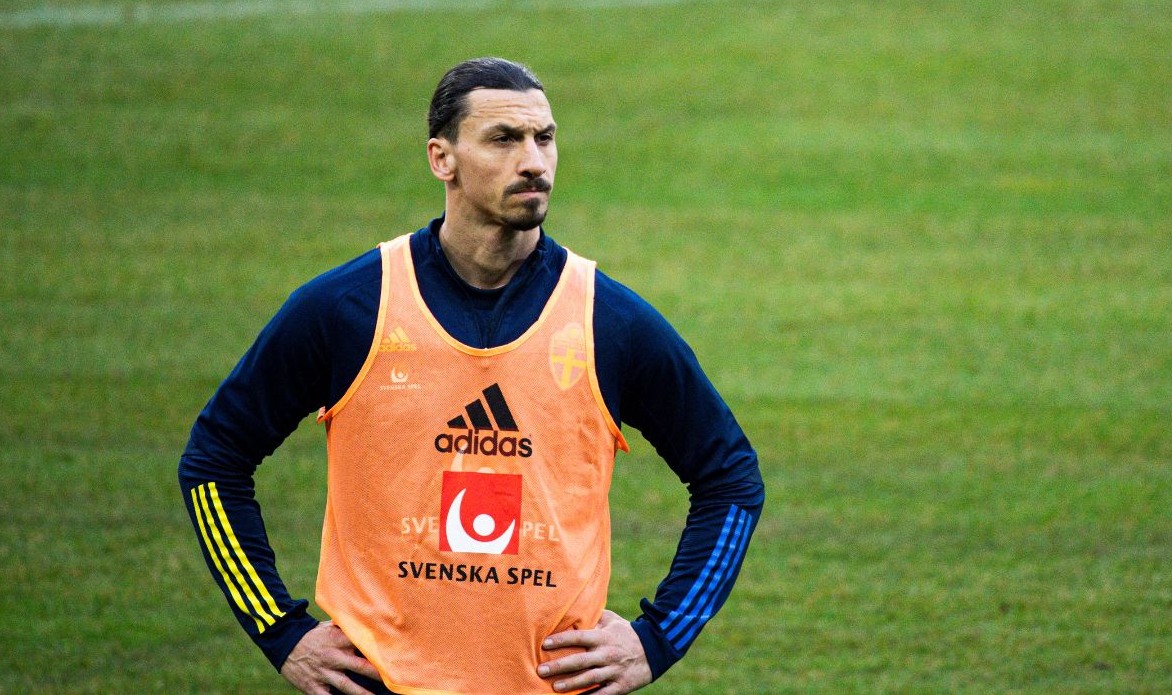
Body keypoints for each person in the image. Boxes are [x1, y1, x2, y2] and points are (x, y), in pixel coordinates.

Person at [180, 57, 764, 695]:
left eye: (545, 138)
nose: (534, 161)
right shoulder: (351, 308)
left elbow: (729, 477)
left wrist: (659, 639)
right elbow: (215, 457)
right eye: (504, 140)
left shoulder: (608, 321)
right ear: (442, 158)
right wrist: (279, 631)